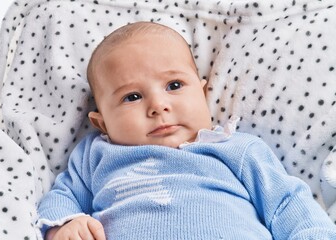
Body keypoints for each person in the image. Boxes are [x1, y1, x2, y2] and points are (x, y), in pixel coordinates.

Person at [37, 21, 336, 240]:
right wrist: (63, 225)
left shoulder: (236, 149)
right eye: (132, 97)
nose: (158, 105)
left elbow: (288, 204)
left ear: (202, 94)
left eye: (174, 86)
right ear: (102, 123)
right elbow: (62, 196)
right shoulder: (96, 154)